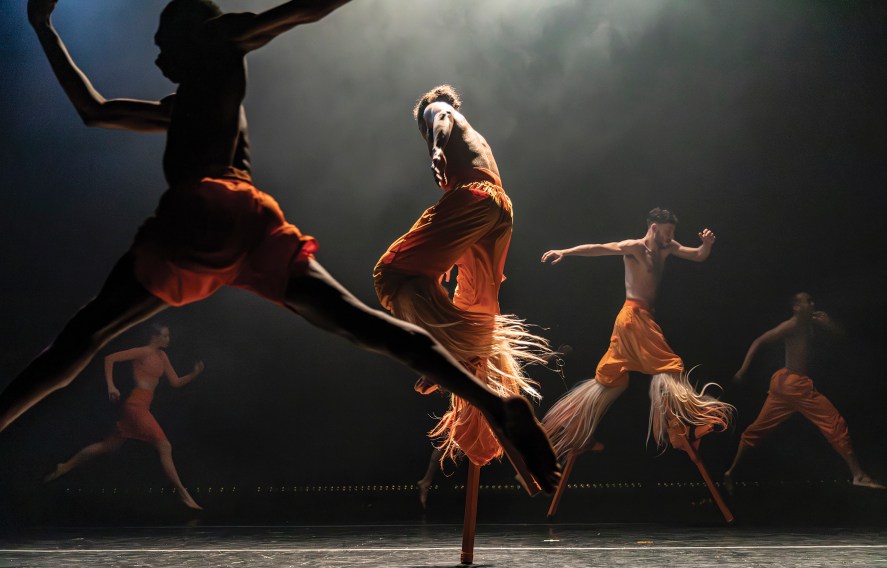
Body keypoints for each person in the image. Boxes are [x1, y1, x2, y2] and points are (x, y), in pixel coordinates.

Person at [3, 0, 559, 494]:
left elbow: (296, 11)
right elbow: (95, 111)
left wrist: (41, 25)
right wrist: (44, 27)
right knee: (362, 324)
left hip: (200, 214)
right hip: (252, 227)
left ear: (194, 31)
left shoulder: (219, 41)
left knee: (84, 335)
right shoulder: (188, 104)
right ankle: (495, 403)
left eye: (161, 44)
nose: (155, 59)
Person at [374, 85, 554, 494]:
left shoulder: (437, 111)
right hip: (499, 212)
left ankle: (442, 349)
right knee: (474, 310)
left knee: (390, 274)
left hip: (474, 198)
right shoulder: (478, 140)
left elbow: (439, 117)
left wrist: (435, 148)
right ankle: (462, 357)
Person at [540, 208, 733, 463]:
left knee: (613, 381)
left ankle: (574, 433)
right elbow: (599, 248)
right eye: (666, 232)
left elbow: (697, 256)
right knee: (670, 367)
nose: (669, 238)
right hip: (633, 318)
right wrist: (565, 251)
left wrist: (706, 244)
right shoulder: (635, 248)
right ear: (653, 228)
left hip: (635, 321)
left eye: (672, 233)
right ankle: (679, 431)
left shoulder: (667, 247)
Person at [723, 292, 884, 491]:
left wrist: (828, 324)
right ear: (796, 307)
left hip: (783, 388)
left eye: (812, 300)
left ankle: (731, 471)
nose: (812, 303)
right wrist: (743, 369)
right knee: (834, 423)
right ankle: (858, 475)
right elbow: (759, 341)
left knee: (757, 429)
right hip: (794, 386)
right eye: (808, 301)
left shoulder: (810, 323)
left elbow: (842, 335)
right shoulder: (791, 325)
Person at [44, 324, 205, 509]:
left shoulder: (162, 356)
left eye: (168, 336)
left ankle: (65, 466)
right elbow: (109, 358)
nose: (168, 339)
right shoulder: (142, 352)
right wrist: (111, 386)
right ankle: (182, 493)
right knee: (164, 445)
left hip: (142, 405)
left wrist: (194, 374)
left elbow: (175, 382)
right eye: (165, 336)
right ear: (155, 337)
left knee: (108, 445)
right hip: (135, 405)